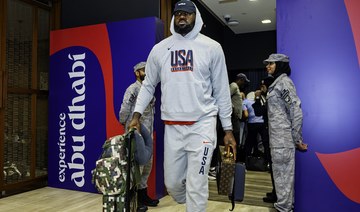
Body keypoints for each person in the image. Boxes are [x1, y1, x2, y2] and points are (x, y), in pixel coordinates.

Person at [128, 1, 237, 211]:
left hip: (202, 125)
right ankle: (193, 203)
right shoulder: (160, 49)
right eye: (178, 13)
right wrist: (136, 116)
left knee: (197, 184)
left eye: (187, 13)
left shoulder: (212, 48)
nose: (182, 16)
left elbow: (222, 91)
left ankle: (196, 204)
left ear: (196, 17)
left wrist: (228, 129)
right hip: (173, 127)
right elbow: (148, 85)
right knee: (173, 184)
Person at [263, 53, 307, 212]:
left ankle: (284, 209)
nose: (267, 66)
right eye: (267, 64)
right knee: (281, 178)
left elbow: (296, 110)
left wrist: (297, 138)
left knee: (283, 179)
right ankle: (284, 208)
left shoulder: (284, 83)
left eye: (271, 64)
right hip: (277, 140)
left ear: (280, 65)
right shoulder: (277, 83)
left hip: (282, 141)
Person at [119, 61, 159, 211]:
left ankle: (142, 195)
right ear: (137, 73)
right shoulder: (133, 89)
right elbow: (124, 109)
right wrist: (125, 125)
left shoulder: (149, 91)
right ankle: (131, 199)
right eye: (144, 70)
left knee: (147, 166)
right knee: (135, 167)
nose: (147, 73)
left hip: (147, 133)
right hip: (136, 134)